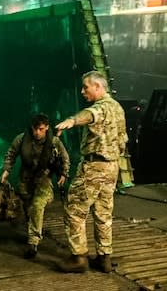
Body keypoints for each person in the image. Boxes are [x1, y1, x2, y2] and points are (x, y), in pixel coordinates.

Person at [55, 71, 128, 273]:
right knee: (103, 213)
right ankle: (104, 258)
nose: (82, 91)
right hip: (112, 167)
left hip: (94, 167)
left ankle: (78, 257)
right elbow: (123, 140)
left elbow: (90, 115)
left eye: (85, 87)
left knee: (74, 209)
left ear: (98, 86)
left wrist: (71, 120)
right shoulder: (118, 108)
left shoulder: (101, 107)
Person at [1, 113, 70, 259]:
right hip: (26, 179)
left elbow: (64, 157)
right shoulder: (22, 139)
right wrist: (6, 170)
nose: (37, 133)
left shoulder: (54, 142)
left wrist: (64, 173)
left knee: (37, 205)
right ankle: (32, 227)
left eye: (41, 129)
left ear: (46, 128)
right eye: (35, 129)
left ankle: (33, 242)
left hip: (43, 179)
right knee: (27, 206)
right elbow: (11, 154)